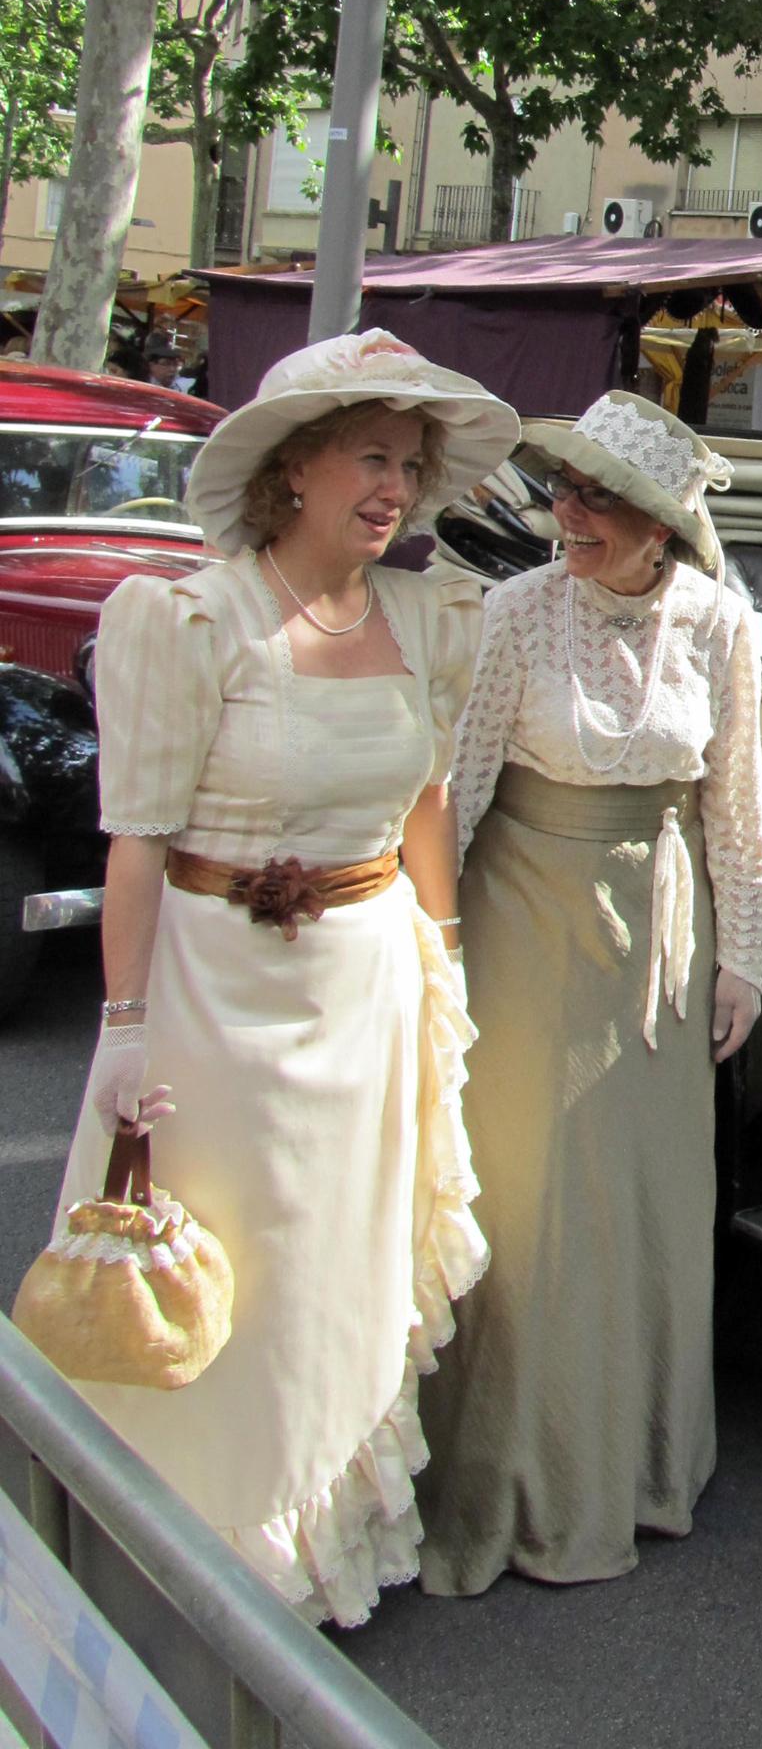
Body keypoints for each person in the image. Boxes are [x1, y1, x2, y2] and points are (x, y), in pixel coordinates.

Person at [56, 330, 519, 1624]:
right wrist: (128, 1028)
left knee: (333, 1282)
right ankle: (194, 1561)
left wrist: (443, 962)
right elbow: (137, 845)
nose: (397, 487)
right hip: (213, 1006)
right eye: (372, 457)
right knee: (218, 1278)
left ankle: (312, 1561)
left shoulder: (430, 618)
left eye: (412, 465)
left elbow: (428, 804)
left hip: (362, 1001)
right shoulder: (190, 618)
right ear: (295, 468)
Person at [418, 393, 762, 1595]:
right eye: (562, 491)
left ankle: (637, 1471)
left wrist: (746, 957)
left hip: (662, 950)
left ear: (662, 529)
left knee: (645, 1206)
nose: (566, 515)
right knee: (537, 1205)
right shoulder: (514, 612)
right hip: (523, 932)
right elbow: (455, 793)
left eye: (595, 500)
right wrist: (424, 956)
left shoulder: (727, 625)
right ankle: (514, 1480)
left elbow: (737, 804)